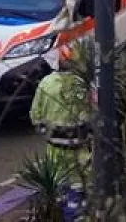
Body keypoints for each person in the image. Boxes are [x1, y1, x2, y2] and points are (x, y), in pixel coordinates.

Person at [30, 50, 90, 179]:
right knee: (79, 179)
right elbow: (91, 113)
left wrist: (44, 129)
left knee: (58, 178)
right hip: (78, 145)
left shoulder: (46, 83)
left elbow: (35, 115)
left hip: (55, 145)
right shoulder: (81, 83)